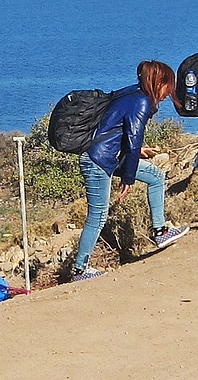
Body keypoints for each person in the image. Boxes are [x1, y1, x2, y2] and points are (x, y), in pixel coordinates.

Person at [71, 60, 190, 282]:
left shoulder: (132, 94)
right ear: (159, 82)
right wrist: (128, 178)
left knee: (155, 176)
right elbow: (133, 141)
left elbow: (117, 132)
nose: (169, 92)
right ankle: (80, 270)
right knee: (97, 216)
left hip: (108, 157)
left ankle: (160, 231)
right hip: (98, 161)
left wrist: (137, 153)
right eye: (168, 85)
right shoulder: (141, 101)